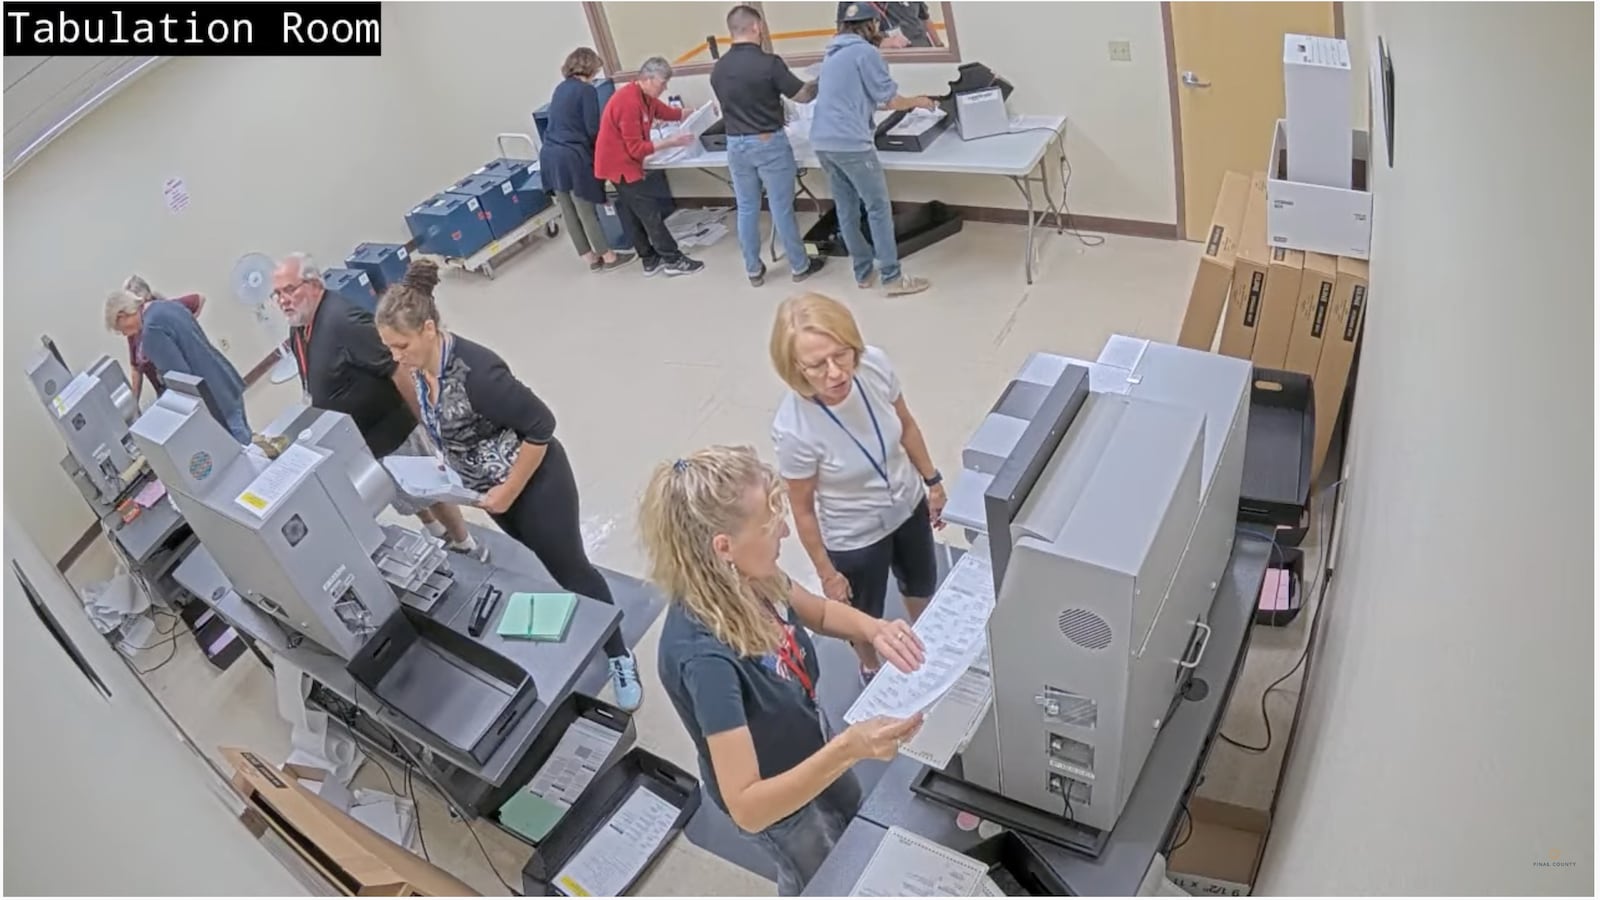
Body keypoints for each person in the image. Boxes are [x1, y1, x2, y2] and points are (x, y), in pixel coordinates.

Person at [641, 444, 926, 895]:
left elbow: (821, 614)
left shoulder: (752, 578)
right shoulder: (705, 658)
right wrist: (849, 750)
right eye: (771, 525)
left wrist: (875, 629)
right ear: (724, 547)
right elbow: (748, 806)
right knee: (817, 871)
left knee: (854, 825)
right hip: (777, 801)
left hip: (812, 744)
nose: (786, 533)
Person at [374, 260, 643, 711]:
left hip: (537, 489)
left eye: (400, 345)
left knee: (572, 568)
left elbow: (542, 427)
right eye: (389, 348)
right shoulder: (423, 367)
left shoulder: (479, 373)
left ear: (428, 328)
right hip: (496, 494)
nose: (396, 357)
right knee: (551, 563)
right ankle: (596, 623)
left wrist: (508, 491)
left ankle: (619, 653)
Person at [768, 293, 946, 685]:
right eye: (817, 365)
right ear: (795, 368)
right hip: (855, 536)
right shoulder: (795, 429)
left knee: (921, 583)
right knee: (863, 614)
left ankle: (926, 641)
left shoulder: (875, 366)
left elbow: (907, 425)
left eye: (842, 355)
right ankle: (870, 666)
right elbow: (803, 509)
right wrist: (827, 573)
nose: (835, 373)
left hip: (906, 504)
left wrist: (932, 481)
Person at [273, 253, 486, 563]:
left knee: (429, 490)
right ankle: (437, 535)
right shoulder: (300, 327)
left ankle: (466, 543)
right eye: (277, 293)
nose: (283, 300)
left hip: (394, 429)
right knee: (405, 494)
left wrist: (424, 420)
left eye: (290, 289)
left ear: (315, 284)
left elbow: (396, 367)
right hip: (366, 440)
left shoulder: (344, 320)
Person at [809, 4, 938, 297]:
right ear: (872, 26)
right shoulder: (866, 54)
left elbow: (865, 96)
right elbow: (890, 100)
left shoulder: (832, 54)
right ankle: (892, 277)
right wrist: (919, 100)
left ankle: (863, 272)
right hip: (850, 143)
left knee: (847, 208)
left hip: (823, 143)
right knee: (878, 207)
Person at [711, 5, 827, 288]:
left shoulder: (718, 69)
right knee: (781, 207)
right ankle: (800, 265)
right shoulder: (769, 63)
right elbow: (801, 96)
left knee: (747, 207)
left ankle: (753, 269)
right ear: (756, 27)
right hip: (768, 143)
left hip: (735, 145)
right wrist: (823, 77)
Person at [593, 56, 706, 277]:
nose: (665, 88)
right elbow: (635, 148)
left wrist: (697, 113)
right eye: (662, 83)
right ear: (647, 78)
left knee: (635, 213)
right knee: (649, 213)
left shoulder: (645, 97)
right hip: (620, 165)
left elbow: (669, 113)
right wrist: (671, 142)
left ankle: (649, 259)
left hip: (622, 162)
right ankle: (673, 260)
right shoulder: (629, 103)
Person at [105, 289, 251, 444]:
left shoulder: (151, 332)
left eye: (120, 329)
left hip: (214, 402)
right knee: (248, 443)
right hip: (225, 380)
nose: (125, 334)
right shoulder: (165, 306)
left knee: (240, 454)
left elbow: (181, 380)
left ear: (122, 315)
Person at [542, 47, 637, 274]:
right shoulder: (586, 91)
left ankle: (591, 258)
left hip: (549, 154)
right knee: (585, 209)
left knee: (568, 210)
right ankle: (609, 256)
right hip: (571, 156)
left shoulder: (560, 88)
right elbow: (593, 129)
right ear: (591, 67)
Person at [117, 274, 208, 405]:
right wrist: (134, 402)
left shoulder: (164, 311)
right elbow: (136, 366)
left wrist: (186, 327)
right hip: (165, 390)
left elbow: (199, 299)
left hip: (189, 384)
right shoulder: (134, 330)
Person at [834, 1, 943, 48]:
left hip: (924, 52)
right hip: (891, 62)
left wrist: (939, 45)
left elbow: (925, 18)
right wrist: (879, 43)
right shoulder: (850, 3)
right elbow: (845, 37)